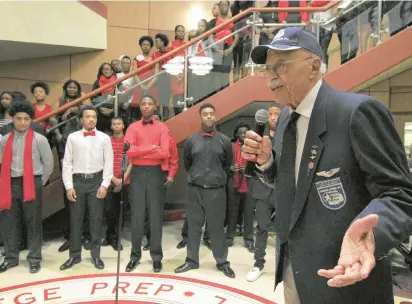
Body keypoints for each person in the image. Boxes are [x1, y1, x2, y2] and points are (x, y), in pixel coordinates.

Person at [242, 27, 412, 303]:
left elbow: (401, 195)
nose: (271, 75)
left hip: (346, 278)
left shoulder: (357, 113)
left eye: (281, 65)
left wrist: (371, 238)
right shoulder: (286, 118)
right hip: (293, 271)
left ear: (314, 67)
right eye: (267, 68)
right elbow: (295, 186)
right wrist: (267, 162)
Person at [174, 103, 235, 278]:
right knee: (193, 227)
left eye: (211, 114)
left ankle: (222, 262)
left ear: (215, 117)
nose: (208, 116)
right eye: (205, 114)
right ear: (200, 117)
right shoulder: (191, 141)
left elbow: (227, 164)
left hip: (217, 191)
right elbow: (187, 164)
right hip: (195, 190)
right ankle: (191, 261)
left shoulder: (224, 141)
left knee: (216, 228)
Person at [0, 100, 54, 274]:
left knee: (33, 222)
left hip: (32, 183)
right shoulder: (4, 140)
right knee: (9, 222)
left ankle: (34, 258)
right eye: (18, 118)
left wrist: (40, 182)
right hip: (10, 184)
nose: (22, 122)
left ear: (31, 120)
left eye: (26, 118)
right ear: (12, 119)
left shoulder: (40, 139)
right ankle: (10, 257)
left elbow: (48, 164)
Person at [60, 105, 113, 271]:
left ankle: (96, 256)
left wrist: (105, 184)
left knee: (96, 220)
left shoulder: (105, 138)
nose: (91, 119)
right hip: (77, 182)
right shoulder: (72, 138)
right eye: (88, 116)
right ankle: (74, 256)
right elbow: (67, 163)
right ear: (80, 119)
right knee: (75, 221)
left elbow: (109, 163)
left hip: (96, 181)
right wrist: (69, 186)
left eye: (94, 117)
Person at [124, 95, 170, 273]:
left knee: (156, 216)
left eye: (150, 103)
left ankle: (156, 257)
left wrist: (140, 152)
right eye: (143, 103)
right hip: (137, 173)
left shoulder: (163, 127)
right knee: (136, 216)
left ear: (155, 106)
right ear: (140, 107)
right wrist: (152, 147)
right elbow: (129, 153)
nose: (147, 106)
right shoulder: (133, 127)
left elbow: (165, 153)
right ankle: (135, 256)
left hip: (156, 174)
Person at [246, 106, 280, 282]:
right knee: (262, 228)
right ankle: (258, 264)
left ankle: (287, 266)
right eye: (271, 114)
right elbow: (250, 162)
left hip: (283, 192)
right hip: (262, 191)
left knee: (287, 230)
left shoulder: (289, 136)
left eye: (277, 114)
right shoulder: (259, 137)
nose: (273, 117)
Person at [143, 113, 178, 251]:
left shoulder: (169, 139)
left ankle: (154, 242)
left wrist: (171, 176)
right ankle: (148, 240)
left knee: (155, 211)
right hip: (144, 175)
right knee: (145, 210)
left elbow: (174, 160)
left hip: (161, 175)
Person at [102, 117, 132, 251]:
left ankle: (116, 238)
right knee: (109, 210)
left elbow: (132, 161)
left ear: (123, 125)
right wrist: (113, 178)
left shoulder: (129, 141)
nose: (116, 126)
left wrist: (123, 179)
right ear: (111, 126)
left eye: (119, 123)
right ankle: (109, 236)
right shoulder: (107, 141)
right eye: (114, 124)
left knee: (121, 212)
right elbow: (102, 161)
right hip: (109, 180)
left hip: (125, 181)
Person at [226, 121, 255, 252]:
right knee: (232, 212)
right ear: (236, 133)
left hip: (250, 184)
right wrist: (230, 168)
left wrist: (247, 169)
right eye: (240, 132)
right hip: (233, 182)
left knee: (248, 213)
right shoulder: (231, 147)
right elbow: (223, 164)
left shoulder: (254, 148)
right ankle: (229, 238)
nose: (243, 134)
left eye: (245, 132)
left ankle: (249, 240)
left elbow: (260, 166)